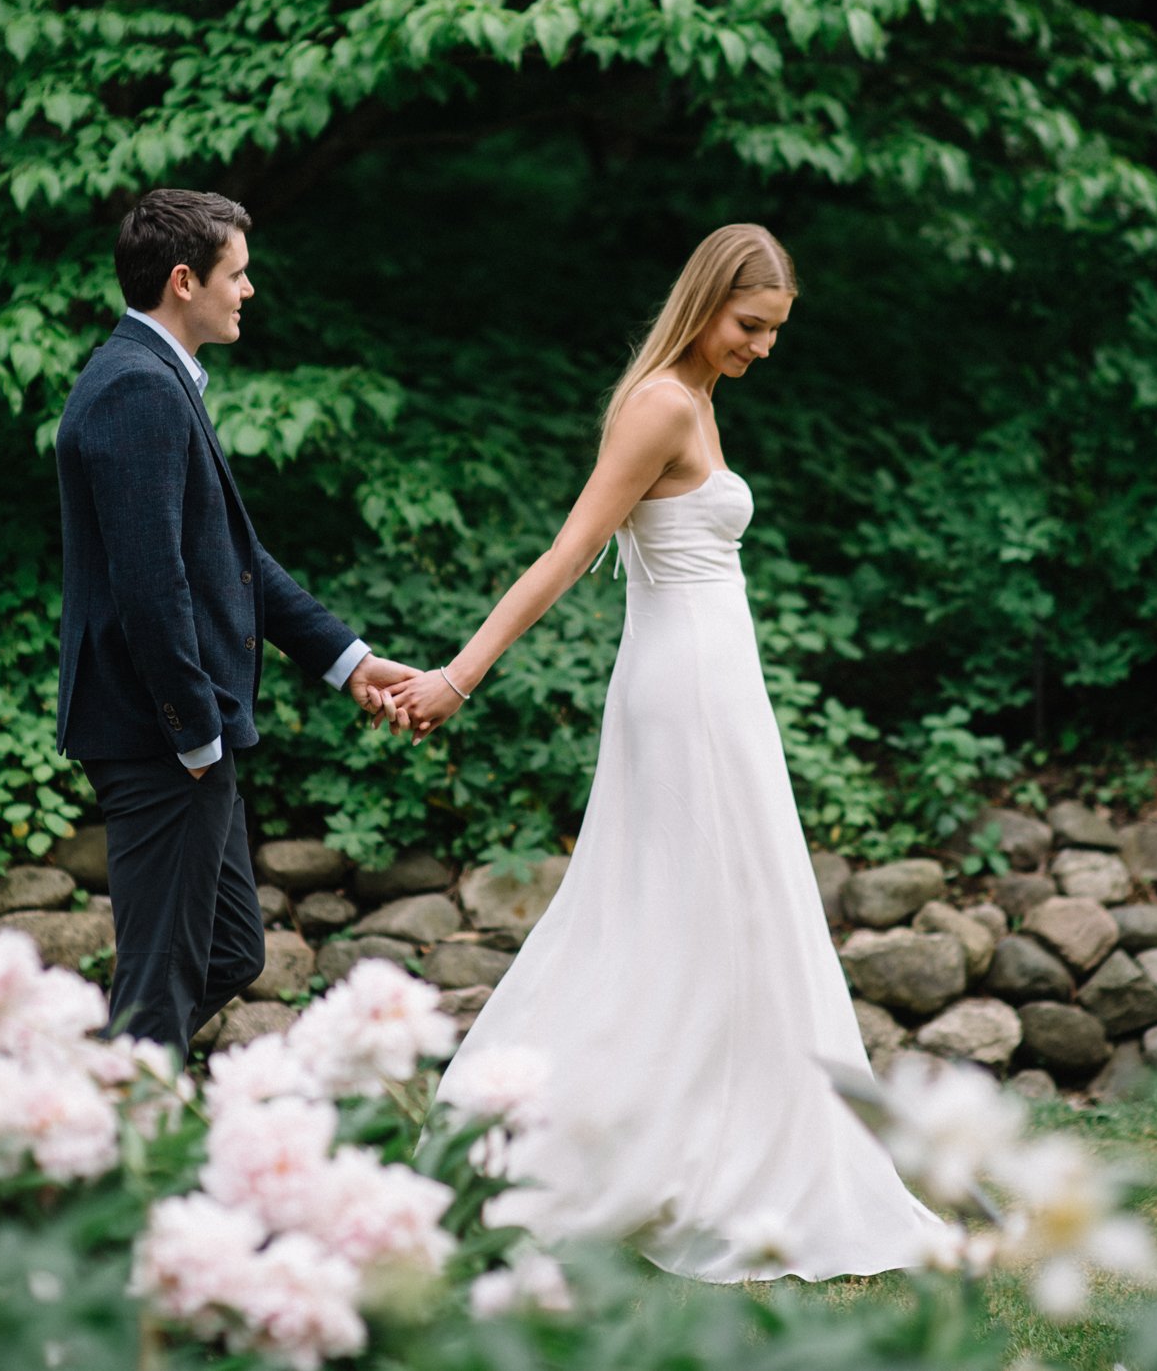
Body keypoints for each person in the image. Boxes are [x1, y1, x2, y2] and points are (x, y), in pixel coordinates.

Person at [392, 224, 945, 1281]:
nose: (763, 348)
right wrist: (459, 676)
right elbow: (569, 551)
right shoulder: (660, 404)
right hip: (685, 689)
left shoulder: (697, 397)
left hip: (712, 681)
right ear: (706, 304)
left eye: (776, 332)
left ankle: (732, 1142)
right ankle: (559, 1146)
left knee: (725, 921)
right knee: (663, 915)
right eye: (751, 326)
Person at [55, 188, 419, 1047]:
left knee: (228, 949)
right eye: (237, 275)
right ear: (184, 281)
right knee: (159, 985)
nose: (248, 291)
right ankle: (107, 1154)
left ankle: (102, 1102)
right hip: (161, 737)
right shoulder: (135, 391)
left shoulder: (156, 381)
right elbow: (153, 589)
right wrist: (195, 734)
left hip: (180, 735)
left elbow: (233, 564)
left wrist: (350, 661)